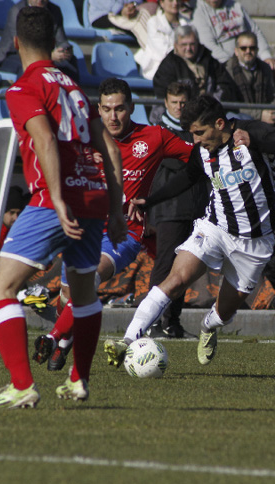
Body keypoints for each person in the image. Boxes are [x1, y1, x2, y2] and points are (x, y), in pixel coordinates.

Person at [0, 5, 126, 409]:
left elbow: (43, 139)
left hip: (55, 199)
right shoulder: (73, 86)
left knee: (1, 287)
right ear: (55, 41)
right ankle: (78, 381)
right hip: (94, 195)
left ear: (15, 43)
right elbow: (108, 146)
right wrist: (116, 208)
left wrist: (57, 198)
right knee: (82, 293)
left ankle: (22, 385)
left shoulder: (24, 87)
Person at [103, 94, 275, 367]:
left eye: (200, 132)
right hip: (215, 228)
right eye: (192, 134)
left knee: (224, 311)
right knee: (175, 279)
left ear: (220, 123)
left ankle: (208, 327)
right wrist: (150, 200)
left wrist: (259, 141)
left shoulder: (252, 132)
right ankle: (126, 341)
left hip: (255, 243)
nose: (196, 140)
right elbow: (187, 177)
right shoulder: (201, 150)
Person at [32, 77, 193, 368]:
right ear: (98, 109)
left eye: (119, 109)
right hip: (84, 229)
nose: (113, 116)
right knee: (69, 297)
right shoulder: (82, 140)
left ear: (131, 107)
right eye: (106, 109)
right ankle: (65, 340)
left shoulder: (154, 137)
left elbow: (197, 157)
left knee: (90, 279)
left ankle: (54, 337)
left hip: (125, 234)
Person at [146, 81, 209, 338]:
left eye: (184, 102)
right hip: (170, 209)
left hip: (194, 208)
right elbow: (178, 164)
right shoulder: (160, 131)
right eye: (175, 103)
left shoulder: (193, 130)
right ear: (166, 104)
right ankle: (151, 322)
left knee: (184, 270)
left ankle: (173, 323)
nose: (180, 107)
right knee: (164, 266)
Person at [151, 24, 237, 122]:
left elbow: (225, 86)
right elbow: (163, 93)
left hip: (209, 112)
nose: (188, 48)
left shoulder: (210, 61)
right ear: (176, 45)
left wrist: (209, 103)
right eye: (184, 44)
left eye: (192, 44)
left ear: (198, 43)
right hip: (178, 116)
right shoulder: (168, 65)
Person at [0, 0, 77, 81]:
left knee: (71, 63)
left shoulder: (55, 11)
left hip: (43, 53)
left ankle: (73, 98)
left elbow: (61, 39)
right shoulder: (17, 11)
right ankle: (24, 98)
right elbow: (21, 45)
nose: (40, 0)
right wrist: (49, 56)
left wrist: (65, 50)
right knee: (28, 66)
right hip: (13, 54)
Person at [225, 31, 275, 129]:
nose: (248, 51)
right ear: (236, 51)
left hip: (265, 111)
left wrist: (272, 112)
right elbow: (231, 104)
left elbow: (273, 96)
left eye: (252, 48)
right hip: (241, 114)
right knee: (235, 119)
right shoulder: (227, 70)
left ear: (257, 50)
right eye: (243, 48)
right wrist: (259, 115)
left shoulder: (265, 68)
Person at [191, 0, 275, 72]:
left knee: (274, 70)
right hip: (225, 64)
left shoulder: (235, 5)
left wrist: (266, 56)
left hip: (249, 55)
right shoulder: (199, 12)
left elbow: (255, 31)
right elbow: (209, 45)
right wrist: (231, 64)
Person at [137, 0, 190, 80]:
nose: (175, 3)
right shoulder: (153, 22)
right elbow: (162, 51)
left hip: (183, 66)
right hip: (157, 67)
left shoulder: (187, 22)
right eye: (170, 0)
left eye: (178, 0)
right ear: (162, 3)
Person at [0, 185, 29, 251]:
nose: (16, 218)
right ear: (1, 212)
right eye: (11, 213)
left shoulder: (16, 230)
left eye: (18, 213)